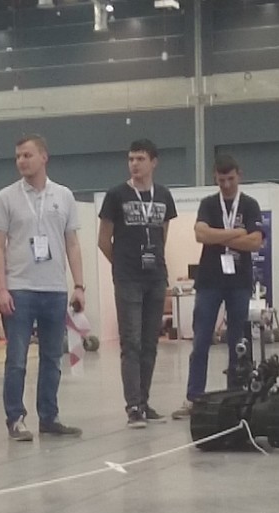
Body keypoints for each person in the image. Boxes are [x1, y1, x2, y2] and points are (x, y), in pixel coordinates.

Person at [0, 134, 85, 441]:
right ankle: (15, 418)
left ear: (44, 157)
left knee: (52, 358)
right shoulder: (6, 197)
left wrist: (79, 285)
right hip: (20, 288)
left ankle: (49, 416)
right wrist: (1, 289)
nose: (21, 161)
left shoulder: (64, 196)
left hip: (54, 289)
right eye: (18, 156)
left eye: (27, 155)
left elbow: (72, 243)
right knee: (17, 358)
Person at [173, 155, 264, 419]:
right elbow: (201, 234)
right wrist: (236, 233)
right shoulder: (208, 204)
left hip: (239, 282)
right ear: (215, 177)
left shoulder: (250, 205)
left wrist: (218, 236)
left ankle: (236, 395)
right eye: (221, 180)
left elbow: (255, 242)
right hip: (209, 281)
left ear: (239, 175)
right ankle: (195, 397)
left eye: (230, 179)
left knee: (238, 341)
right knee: (201, 339)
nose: (225, 185)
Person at [98, 138, 177, 428]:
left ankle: (144, 401)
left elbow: (162, 235)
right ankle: (132, 406)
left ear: (153, 162)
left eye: (140, 159)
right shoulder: (116, 195)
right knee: (130, 342)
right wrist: (121, 265)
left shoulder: (164, 196)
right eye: (131, 159)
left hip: (155, 277)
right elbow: (103, 240)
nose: (134, 164)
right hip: (128, 278)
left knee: (149, 343)